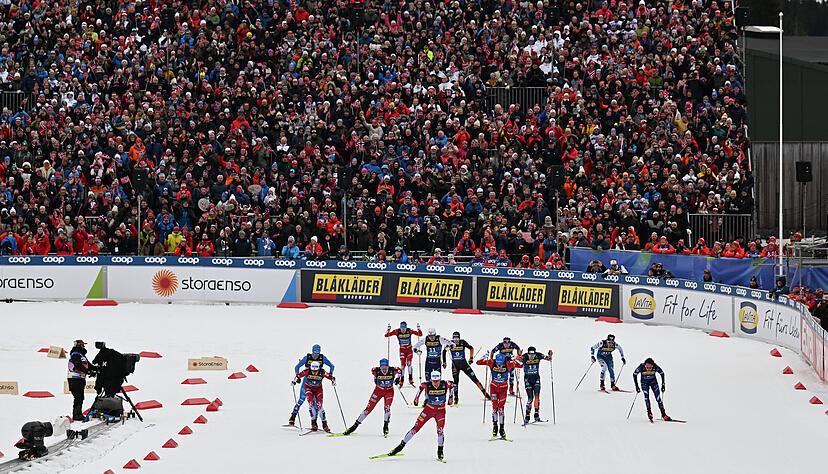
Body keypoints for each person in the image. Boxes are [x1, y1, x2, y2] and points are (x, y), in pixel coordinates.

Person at [386, 371, 454, 461]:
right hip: (428, 410)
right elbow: (421, 387)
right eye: (434, 381)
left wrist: (451, 397)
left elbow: (453, 385)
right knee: (416, 428)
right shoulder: (427, 385)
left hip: (441, 411)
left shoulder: (446, 384)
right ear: (431, 380)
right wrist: (416, 398)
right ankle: (400, 446)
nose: (436, 384)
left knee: (440, 431)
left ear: (440, 379)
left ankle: (440, 451)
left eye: (437, 381)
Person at [343, 359, 402, 437]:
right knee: (368, 408)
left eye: (386, 368)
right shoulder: (376, 371)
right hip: (378, 391)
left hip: (389, 391)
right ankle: (354, 426)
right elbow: (373, 372)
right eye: (382, 368)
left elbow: (400, 371)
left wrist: (399, 379)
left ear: (388, 367)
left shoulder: (393, 370)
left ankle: (386, 426)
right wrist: (375, 378)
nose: (384, 370)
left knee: (387, 408)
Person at [477, 353, 523, 439]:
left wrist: (515, 359)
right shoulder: (491, 362)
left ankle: (502, 429)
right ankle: (495, 427)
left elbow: (521, 366)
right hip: (493, 388)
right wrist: (484, 356)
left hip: (503, 389)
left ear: (504, 361)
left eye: (501, 364)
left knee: (501, 409)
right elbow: (478, 362)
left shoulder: (508, 364)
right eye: (497, 364)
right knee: (494, 408)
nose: (499, 366)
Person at [289, 345, 335, 426]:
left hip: (317, 382)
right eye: (315, 352)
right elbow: (297, 367)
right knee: (301, 399)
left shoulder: (322, 358)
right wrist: (298, 377)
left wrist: (330, 375)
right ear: (312, 351)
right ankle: (293, 417)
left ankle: (314, 422)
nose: (316, 355)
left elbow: (332, 366)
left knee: (316, 403)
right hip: (306, 381)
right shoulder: (307, 357)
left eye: (318, 353)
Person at [441, 331, 488, 404]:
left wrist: (471, 358)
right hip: (455, 365)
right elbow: (444, 352)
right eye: (454, 338)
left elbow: (471, 348)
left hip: (464, 364)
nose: (456, 340)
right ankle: (456, 398)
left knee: (474, 378)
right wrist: (444, 362)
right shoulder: (450, 343)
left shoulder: (462, 342)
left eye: (457, 338)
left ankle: (485, 393)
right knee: (455, 382)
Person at [292, 361, 335, 432]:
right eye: (313, 371)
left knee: (319, 406)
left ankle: (324, 424)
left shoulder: (322, 372)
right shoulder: (307, 371)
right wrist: (294, 381)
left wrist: (333, 381)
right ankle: (313, 423)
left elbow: (331, 377)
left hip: (318, 389)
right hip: (309, 388)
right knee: (311, 404)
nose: (314, 372)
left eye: (316, 371)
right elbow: (298, 376)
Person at [519, 347, 553, 424]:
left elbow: (549, 359)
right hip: (528, 379)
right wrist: (519, 355)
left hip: (536, 378)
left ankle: (536, 414)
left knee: (537, 397)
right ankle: (527, 416)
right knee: (530, 398)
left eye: (533, 355)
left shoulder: (539, 355)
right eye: (530, 356)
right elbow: (518, 362)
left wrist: (550, 354)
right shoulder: (524, 357)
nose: (531, 357)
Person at [385, 321, 422, 385]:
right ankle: (402, 380)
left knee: (409, 364)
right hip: (402, 350)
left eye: (404, 329)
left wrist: (419, 329)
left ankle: (410, 379)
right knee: (402, 365)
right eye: (402, 328)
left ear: (406, 328)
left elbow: (420, 334)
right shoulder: (397, 331)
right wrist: (388, 330)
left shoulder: (409, 331)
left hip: (409, 349)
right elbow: (386, 335)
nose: (403, 330)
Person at [67, 339, 95, 420]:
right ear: (79, 345)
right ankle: (76, 415)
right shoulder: (75, 354)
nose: (84, 347)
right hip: (74, 379)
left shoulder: (82, 355)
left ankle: (78, 413)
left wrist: (97, 368)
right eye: (83, 345)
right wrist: (89, 372)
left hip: (80, 379)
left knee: (80, 397)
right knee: (78, 397)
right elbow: (79, 366)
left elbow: (89, 365)